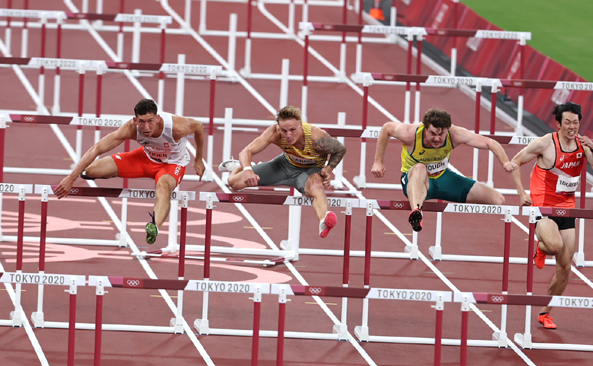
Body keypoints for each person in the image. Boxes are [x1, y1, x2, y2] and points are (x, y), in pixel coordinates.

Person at [508, 102, 593, 329]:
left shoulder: (583, 145)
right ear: (558, 123)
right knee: (554, 246)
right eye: (568, 122)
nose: (572, 127)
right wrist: (522, 192)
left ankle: (545, 312)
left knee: (565, 267)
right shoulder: (544, 143)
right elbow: (515, 162)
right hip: (542, 207)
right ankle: (542, 248)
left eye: (576, 122)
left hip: (567, 209)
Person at [54, 98, 206, 245]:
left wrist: (198, 159)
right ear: (135, 121)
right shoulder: (131, 129)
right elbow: (97, 148)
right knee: (91, 171)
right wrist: (71, 178)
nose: (146, 127)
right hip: (144, 159)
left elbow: (198, 126)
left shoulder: (176, 127)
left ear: (158, 118)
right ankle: (109, 172)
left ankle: (154, 227)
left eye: (150, 121)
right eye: (141, 122)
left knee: (163, 187)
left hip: (172, 164)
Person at [371, 108, 529, 232]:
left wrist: (505, 162)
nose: (437, 139)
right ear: (425, 128)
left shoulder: (455, 134)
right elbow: (387, 128)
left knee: (498, 200)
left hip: (443, 179)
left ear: (448, 130)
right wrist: (378, 162)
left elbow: (489, 142)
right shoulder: (410, 134)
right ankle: (416, 213)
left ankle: (420, 206)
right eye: (433, 134)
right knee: (420, 167)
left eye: (442, 134)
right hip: (417, 182)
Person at [219, 106, 346, 238]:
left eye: (292, 130)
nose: (288, 135)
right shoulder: (274, 132)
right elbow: (246, 151)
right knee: (234, 183)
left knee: (316, 187)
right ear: (278, 127)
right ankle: (237, 167)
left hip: (310, 172)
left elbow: (340, 149)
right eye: (284, 131)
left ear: (301, 126)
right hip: (284, 166)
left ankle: (323, 221)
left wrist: (328, 169)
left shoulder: (316, 137)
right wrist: (247, 170)